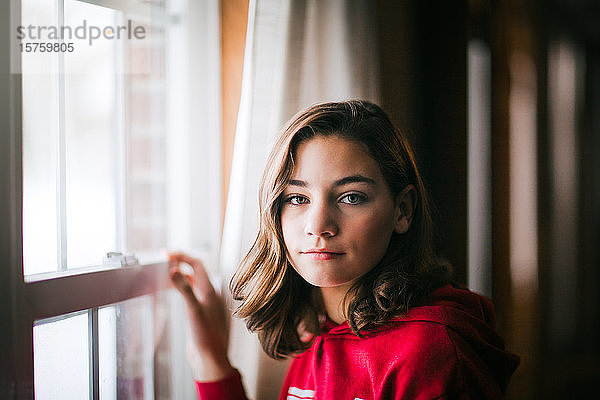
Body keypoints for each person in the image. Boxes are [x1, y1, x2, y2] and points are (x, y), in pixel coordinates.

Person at [168, 100, 519, 399]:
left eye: (351, 197)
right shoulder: (320, 331)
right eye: (297, 198)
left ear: (403, 210)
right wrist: (211, 357)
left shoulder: (430, 352)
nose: (318, 225)